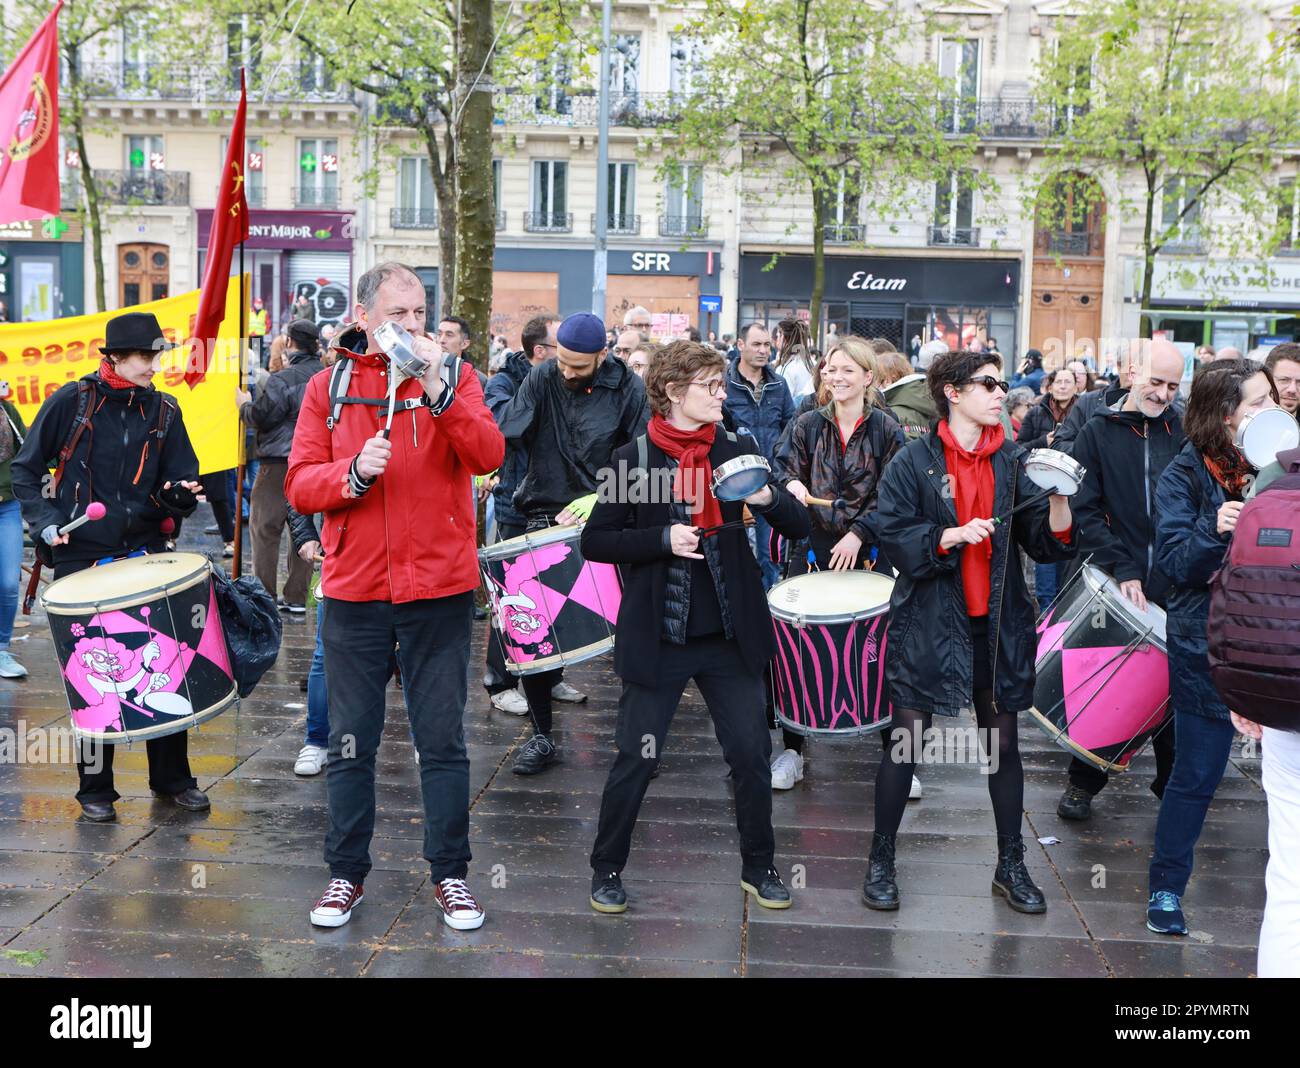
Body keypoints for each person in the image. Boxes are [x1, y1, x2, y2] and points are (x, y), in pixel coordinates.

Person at [286, 262, 504, 931]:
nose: (413, 325)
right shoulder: (330, 387)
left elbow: (488, 454)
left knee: (442, 741)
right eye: (398, 314)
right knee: (351, 741)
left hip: (438, 589)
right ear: (363, 318)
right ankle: (345, 875)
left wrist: (439, 388)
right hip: (355, 591)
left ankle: (451, 875)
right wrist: (350, 475)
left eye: (420, 313)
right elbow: (299, 483)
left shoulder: (458, 377)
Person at [581, 340, 811, 914]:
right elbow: (597, 540)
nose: (721, 393)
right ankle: (605, 869)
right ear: (673, 392)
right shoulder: (633, 459)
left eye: (720, 384)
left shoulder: (737, 446)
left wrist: (766, 496)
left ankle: (760, 866)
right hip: (659, 633)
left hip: (730, 634)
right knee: (637, 756)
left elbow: (799, 524)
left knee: (752, 757)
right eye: (709, 386)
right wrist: (661, 539)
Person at [864, 348, 1076, 913]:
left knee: (1002, 747)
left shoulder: (1015, 461)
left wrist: (1059, 501)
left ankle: (1011, 864)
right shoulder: (915, 460)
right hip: (929, 624)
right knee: (905, 743)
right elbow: (894, 534)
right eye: (987, 383)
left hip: (997, 627)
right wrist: (949, 536)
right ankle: (880, 859)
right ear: (952, 393)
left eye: (1002, 382)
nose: (1000, 392)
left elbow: (1044, 542)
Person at [12, 312, 208, 821]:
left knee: (161, 668)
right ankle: (95, 789)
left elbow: (181, 479)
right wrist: (47, 520)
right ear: (115, 358)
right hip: (82, 554)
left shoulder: (165, 409)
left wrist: (177, 498)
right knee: (93, 676)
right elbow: (25, 469)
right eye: (144, 356)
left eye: (156, 355)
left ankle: (172, 780)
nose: (152, 364)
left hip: (145, 553)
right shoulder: (73, 402)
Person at [1145, 358, 1280, 936]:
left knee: (1286, 776)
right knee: (1197, 773)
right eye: (1258, 402)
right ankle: (1167, 889)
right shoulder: (1184, 475)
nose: (1272, 409)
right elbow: (1174, 566)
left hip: (1278, 642)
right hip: (1209, 644)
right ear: (1226, 417)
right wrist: (1214, 528)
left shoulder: (1286, 464)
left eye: (1274, 398)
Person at [496, 311, 649, 774]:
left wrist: (602, 497)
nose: (566, 371)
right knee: (537, 639)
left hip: (608, 518)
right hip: (543, 515)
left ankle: (637, 740)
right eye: (561, 361)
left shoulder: (628, 387)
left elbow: (645, 458)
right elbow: (510, 431)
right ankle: (542, 737)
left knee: (631, 637)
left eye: (578, 365)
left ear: (603, 355)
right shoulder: (543, 375)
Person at [1055, 340, 1185, 822]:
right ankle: (1083, 782)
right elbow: (1084, 509)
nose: (1163, 393)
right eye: (1155, 381)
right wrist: (1123, 567)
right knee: (1108, 691)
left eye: (1173, 385)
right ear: (1132, 372)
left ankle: (1172, 786)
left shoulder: (1183, 431)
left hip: (1174, 583)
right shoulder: (1097, 429)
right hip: (1117, 580)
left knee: (1174, 694)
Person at [773, 336, 903, 789]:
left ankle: (895, 754)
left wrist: (859, 533)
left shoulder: (887, 428)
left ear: (868, 377)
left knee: (877, 647)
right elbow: (783, 465)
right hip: (811, 544)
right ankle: (792, 750)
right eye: (831, 369)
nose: (837, 377)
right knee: (797, 644)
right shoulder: (808, 422)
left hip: (869, 548)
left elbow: (895, 493)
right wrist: (788, 484)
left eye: (848, 370)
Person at [481, 313, 568, 716]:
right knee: (512, 598)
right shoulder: (504, 382)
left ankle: (549, 677)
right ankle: (500, 681)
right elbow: (507, 429)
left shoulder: (570, 379)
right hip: (517, 503)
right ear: (540, 352)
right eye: (560, 345)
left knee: (554, 595)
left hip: (559, 503)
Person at [237, 318, 324, 614]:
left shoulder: (283, 379)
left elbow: (262, 416)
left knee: (265, 529)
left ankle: (264, 596)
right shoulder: (328, 376)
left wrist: (244, 406)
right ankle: (297, 596)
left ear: (290, 342)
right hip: (314, 461)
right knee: (305, 528)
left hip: (278, 463)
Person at [723, 323, 795, 590]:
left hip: (769, 483)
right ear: (740, 345)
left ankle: (766, 616)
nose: (763, 350)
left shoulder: (779, 384)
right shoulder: (723, 384)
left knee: (769, 556)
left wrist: (784, 473)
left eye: (767, 344)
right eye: (756, 344)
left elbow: (791, 429)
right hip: (733, 485)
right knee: (733, 554)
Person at [0, 397, 28, 679]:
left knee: (8, 583)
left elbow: (30, 448)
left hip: (7, 507)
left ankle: (1, 648)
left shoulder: (5, 409)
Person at [772, 316, 815, 404]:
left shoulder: (785, 368)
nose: (777, 341)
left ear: (783, 337)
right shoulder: (812, 363)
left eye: (778, 336)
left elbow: (780, 402)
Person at [1264, 342, 1300, 418]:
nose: (1292, 389)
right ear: (1267, 379)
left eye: (1299, 382)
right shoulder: (1250, 423)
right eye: (1284, 380)